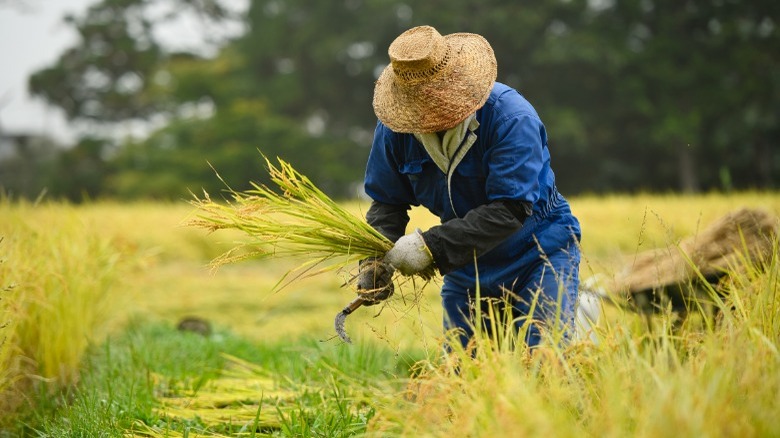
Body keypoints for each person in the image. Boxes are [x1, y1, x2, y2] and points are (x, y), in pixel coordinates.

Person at [355, 25, 582, 350]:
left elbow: (510, 210)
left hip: (538, 253)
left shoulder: (510, 119)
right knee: (466, 374)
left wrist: (429, 247)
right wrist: (373, 261)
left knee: (544, 361)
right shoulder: (396, 131)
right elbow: (387, 203)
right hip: (467, 266)